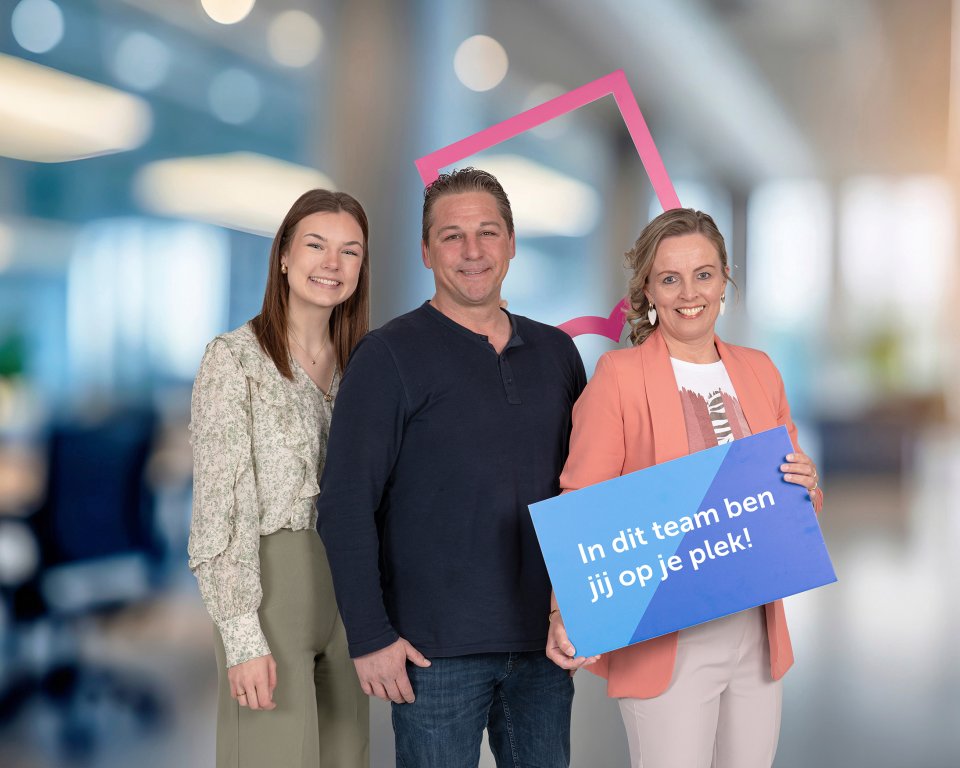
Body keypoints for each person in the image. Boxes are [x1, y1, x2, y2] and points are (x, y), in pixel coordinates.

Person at [316, 168, 586, 768]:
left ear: (511, 244)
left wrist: (586, 607)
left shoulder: (558, 353)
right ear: (425, 251)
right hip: (432, 651)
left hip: (544, 643)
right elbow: (344, 503)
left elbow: (586, 488)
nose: (472, 251)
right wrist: (370, 636)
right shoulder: (387, 356)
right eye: (452, 236)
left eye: (488, 233)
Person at [547, 208, 824, 768]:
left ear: (725, 280)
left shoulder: (760, 370)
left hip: (755, 630)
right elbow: (582, 501)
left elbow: (794, 502)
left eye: (703, 274)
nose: (689, 293)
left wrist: (807, 487)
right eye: (670, 278)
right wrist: (565, 609)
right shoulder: (619, 377)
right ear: (648, 290)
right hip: (665, 635)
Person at [188, 189, 371, 767]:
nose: (332, 263)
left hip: (352, 587)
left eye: (350, 251)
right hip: (270, 585)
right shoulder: (233, 360)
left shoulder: (366, 366)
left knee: (349, 757)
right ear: (284, 257)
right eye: (316, 245)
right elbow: (218, 508)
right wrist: (242, 637)